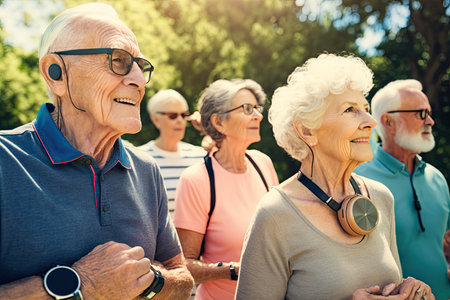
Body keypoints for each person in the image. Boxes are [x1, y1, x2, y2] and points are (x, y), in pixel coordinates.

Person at [0, 3, 193, 299]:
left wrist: (149, 279)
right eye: (118, 60)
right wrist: (84, 285)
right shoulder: (5, 160)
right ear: (56, 74)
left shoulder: (146, 168)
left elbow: (182, 278)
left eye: (141, 67)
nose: (139, 81)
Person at [236, 54, 434, 300]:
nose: (371, 122)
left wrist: (413, 294)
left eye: (366, 109)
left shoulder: (381, 197)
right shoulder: (275, 214)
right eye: (350, 110)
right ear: (306, 130)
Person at [173, 79, 279, 299]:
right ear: (219, 122)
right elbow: (184, 266)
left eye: (257, 108)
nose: (258, 116)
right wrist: (234, 270)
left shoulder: (263, 163)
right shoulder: (197, 180)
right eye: (247, 109)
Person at [355, 79, 450, 299]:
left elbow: (444, 241)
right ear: (388, 122)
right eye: (420, 113)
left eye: (429, 112)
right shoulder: (357, 180)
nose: (431, 121)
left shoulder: (437, 178)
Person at [139, 89, 206, 218]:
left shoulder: (200, 155)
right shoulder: (140, 159)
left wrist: (208, 129)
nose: (180, 120)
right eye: (173, 116)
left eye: (184, 115)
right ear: (156, 119)